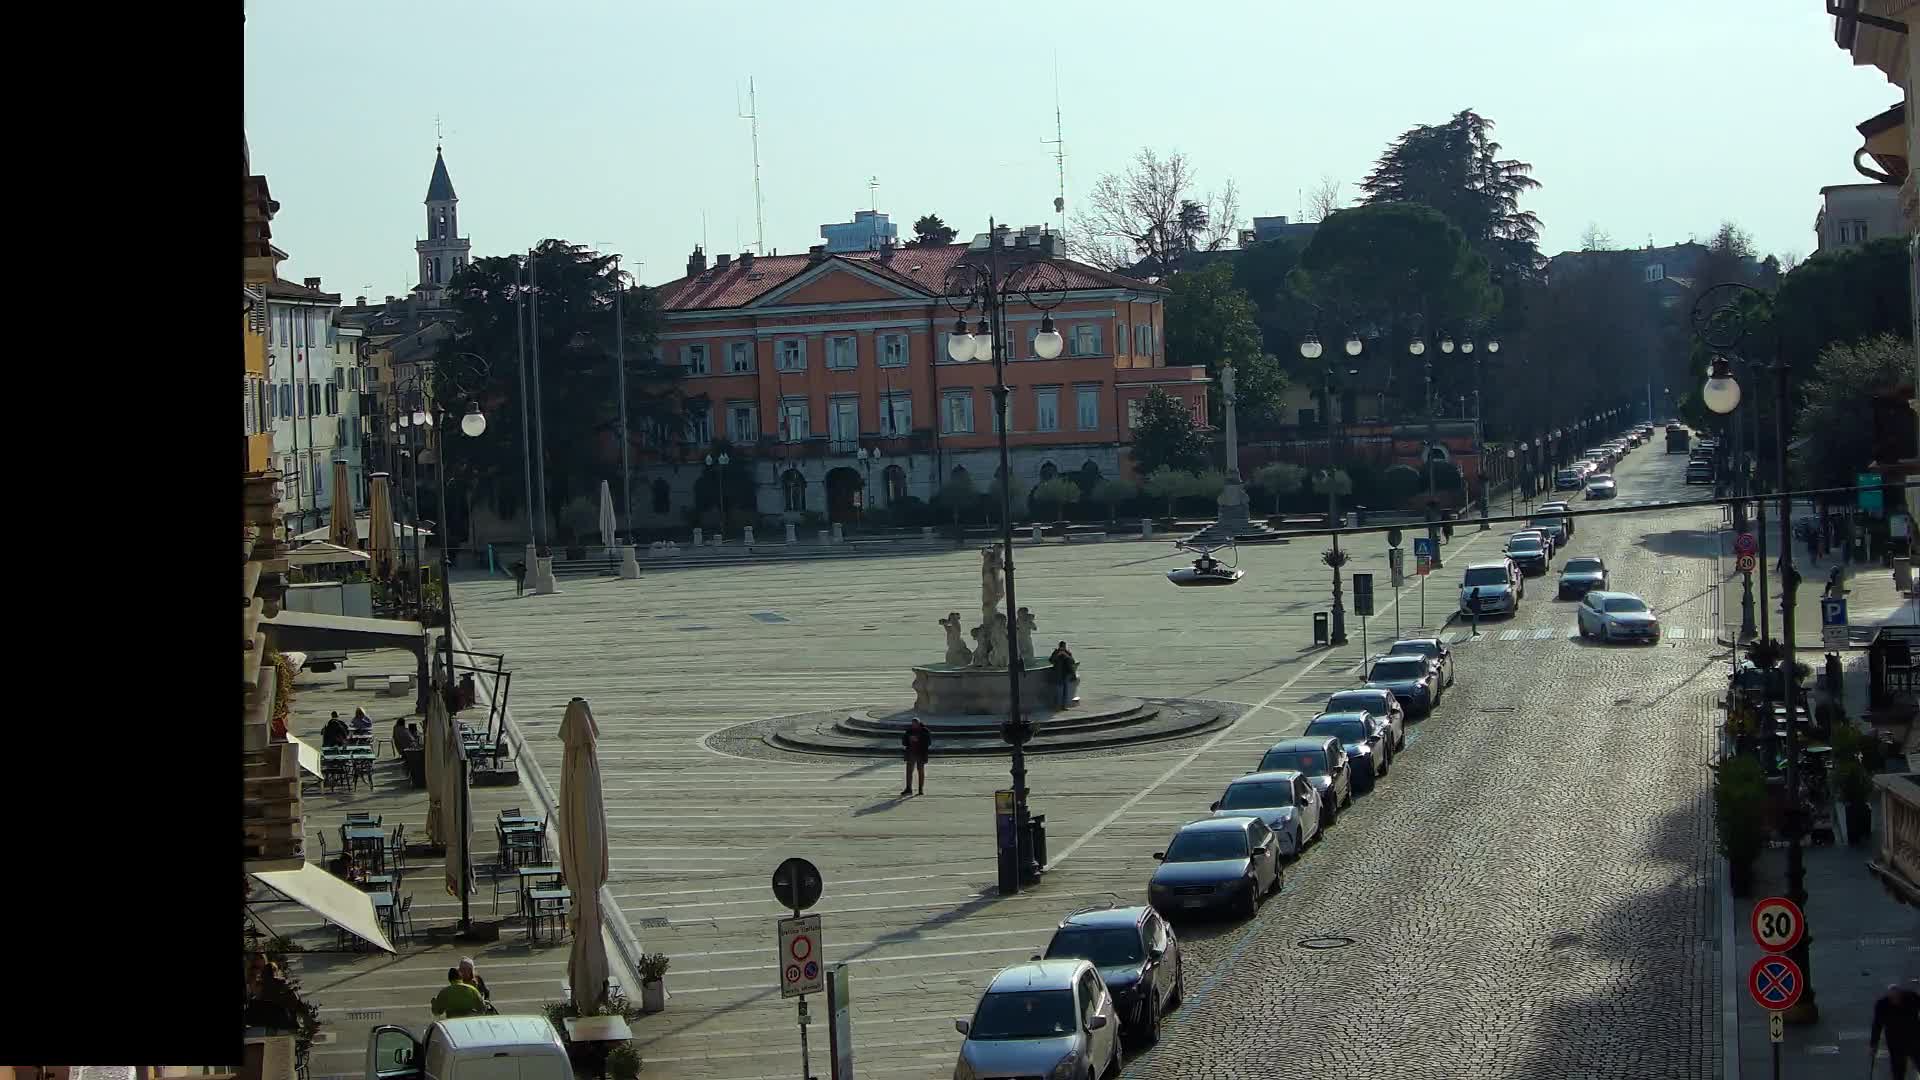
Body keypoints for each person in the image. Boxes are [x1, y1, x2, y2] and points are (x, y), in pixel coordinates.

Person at [1871, 982, 1919, 1079]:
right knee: (1898, 1069)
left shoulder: (1912, 997)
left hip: (1914, 1037)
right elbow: (1877, 1025)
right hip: (1895, 1041)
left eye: (1897, 997)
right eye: (1893, 998)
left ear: (1901, 994)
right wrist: (1874, 1044)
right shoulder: (1882, 1005)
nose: (1895, 1000)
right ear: (1889, 997)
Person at [901, 717, 931, 797]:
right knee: (909, 771)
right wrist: (909, 739)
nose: (913, 726)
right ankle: (908, 788)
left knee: (920, 771)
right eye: (912, 724)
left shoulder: (925, 731)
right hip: (911, 753)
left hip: (921, 754)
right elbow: (903, 742)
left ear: (919, 723)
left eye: (915, 724)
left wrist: (918, 740)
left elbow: (928, 742)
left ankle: (920, 789)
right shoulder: (909, 731)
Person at [1048, 641, 1077, 709]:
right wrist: (1057, 655)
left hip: (1066, 674)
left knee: (1065, 691)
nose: (1062, 648)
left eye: (1063, 647)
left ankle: (1064, 706)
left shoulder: (1067, 653)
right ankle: (1057, 706)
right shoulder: (1056, 652)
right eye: (1062, 646)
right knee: (1058, 691)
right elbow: (1051, 660)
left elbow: (1072, 661)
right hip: (1058, 674)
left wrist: (1066, 655)